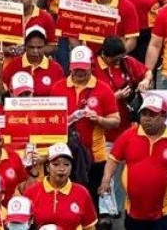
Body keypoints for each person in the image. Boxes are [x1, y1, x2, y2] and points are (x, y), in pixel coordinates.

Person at [100, 94, 167, 230]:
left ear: (164, 117)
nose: (146, 119)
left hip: (164, 212)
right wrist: (106, 180)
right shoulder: (128, 136)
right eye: (144, 114)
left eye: (152, 115)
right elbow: (113, 159)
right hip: (133, 211)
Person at [50, 45, 120, 211]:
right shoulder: (57, 88)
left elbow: (116, 120)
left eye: (83, 69)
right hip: (65, 157)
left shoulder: (103, 89)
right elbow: (51, 122)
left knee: (92, 204)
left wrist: (99, 119)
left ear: (91, 66)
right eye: (76, 69)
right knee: (66, 202)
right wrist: (64, 122)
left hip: (95, 157)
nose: (79, 72)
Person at [24, 142, 99, 230]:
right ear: (47, 167)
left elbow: (90, 227)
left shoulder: (82, 193)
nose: (62, 169)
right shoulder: (32, 192)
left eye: (66, 164)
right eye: (56, 164)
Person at [74, 0, 140, 55]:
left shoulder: (127, 7)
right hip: (89, 57)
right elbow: (72, 34)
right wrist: (83, 53)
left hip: (116, 58)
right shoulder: (82, 5)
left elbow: (132, 40)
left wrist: (116, 56)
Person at [93, 35, 147, 140]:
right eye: (115, 59)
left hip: (127, 128)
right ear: (105, 55)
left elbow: (147, 72)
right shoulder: (93, 67)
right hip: (105, 134)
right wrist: (115, 96)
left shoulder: (126, 61)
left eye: (120, 57)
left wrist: (145, 81)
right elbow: (90, 101)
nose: (118, 62)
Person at [0, 26, 66, 97]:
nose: (35, 51)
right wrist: (0, 66)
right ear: (25, 46)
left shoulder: (56, 69)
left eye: (39, 47)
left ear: (45, 46)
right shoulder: (14, 65)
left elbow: (62, 96)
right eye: (31, 47)